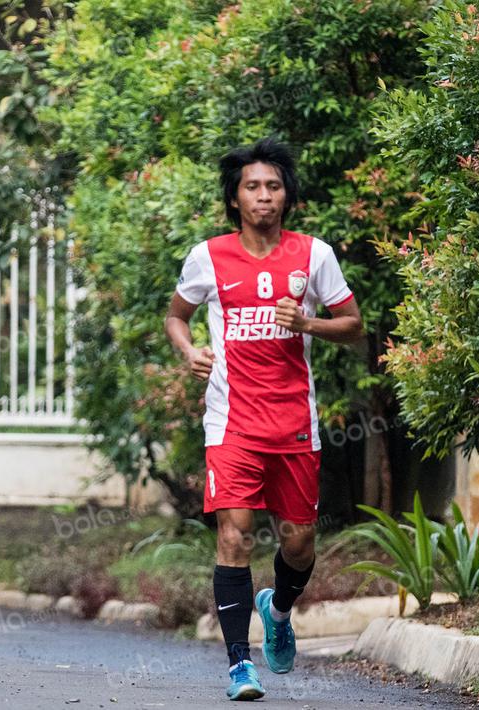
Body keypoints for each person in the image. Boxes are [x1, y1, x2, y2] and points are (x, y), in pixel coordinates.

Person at [164, 138, 363, 700]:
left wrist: (308, 325)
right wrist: (189, 352)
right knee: (234, 535)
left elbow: (353, 326)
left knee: (299, 543)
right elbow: (176, 317)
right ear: (235, 198)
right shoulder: (209, 257)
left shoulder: (313, 254)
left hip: (296, 422)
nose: (263, 196)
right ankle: (238, 665)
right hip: (232, 422)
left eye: (273, 186)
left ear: (286, 196)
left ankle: (277, 611)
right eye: (252, 187)